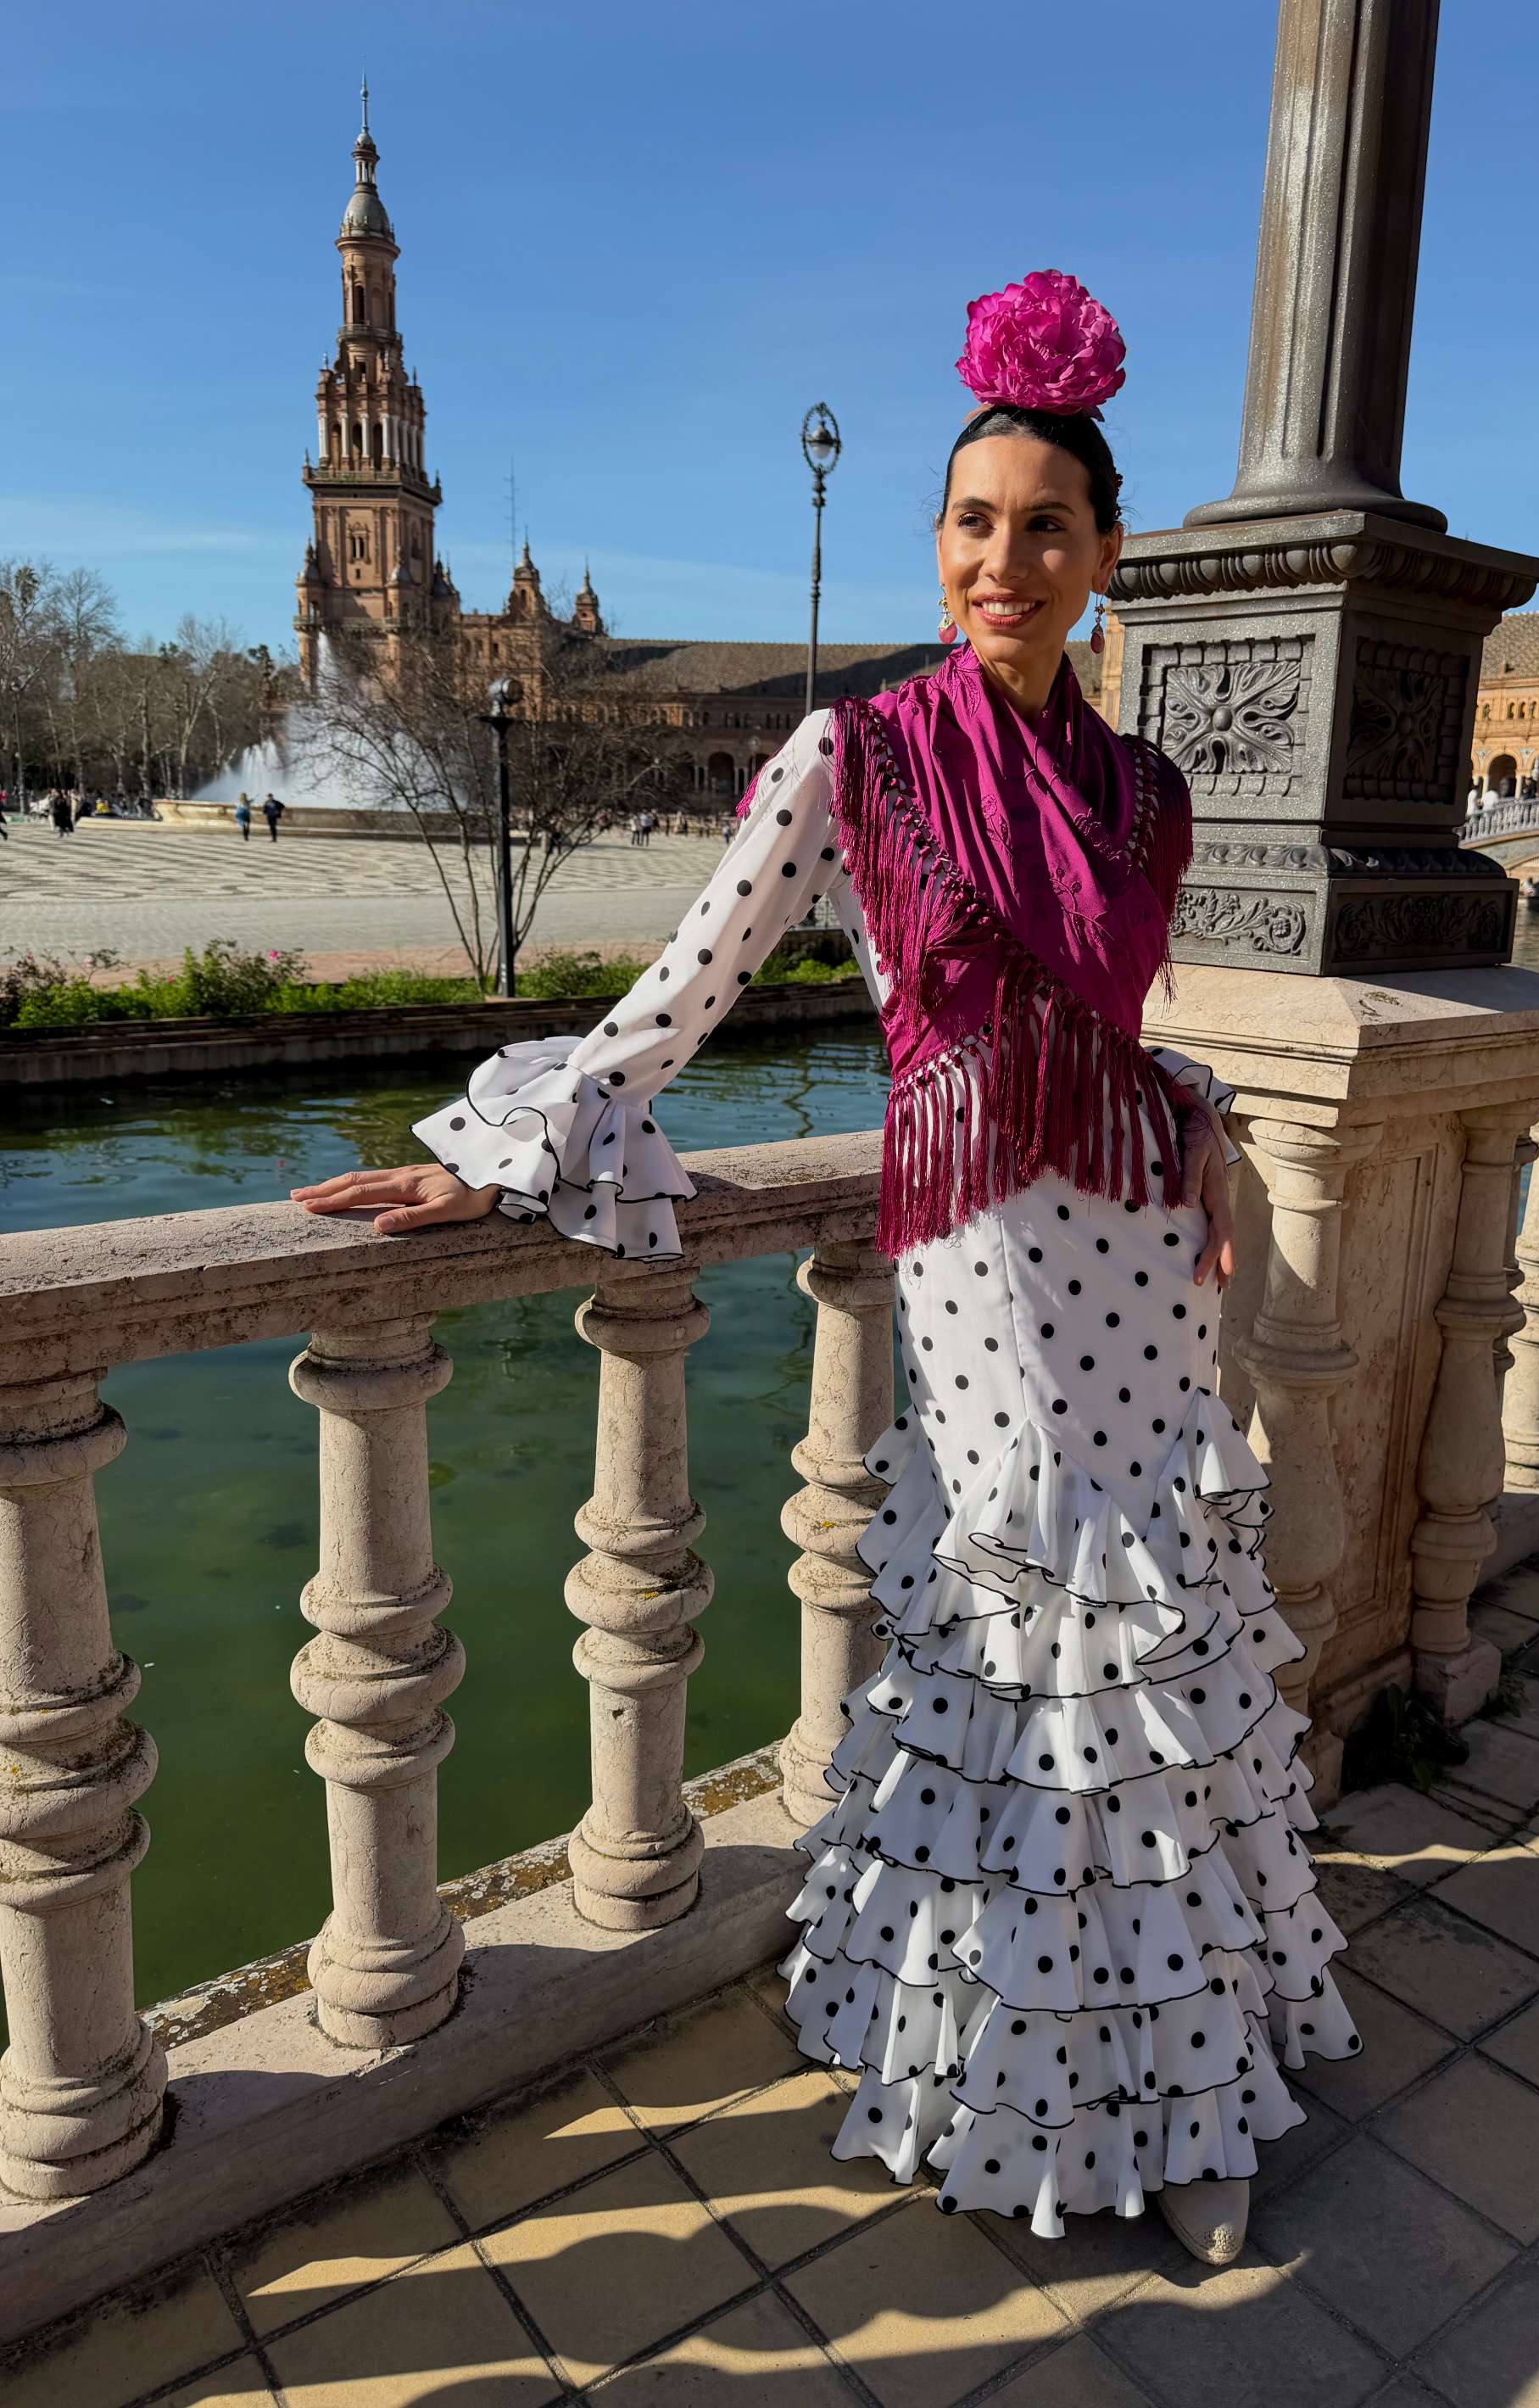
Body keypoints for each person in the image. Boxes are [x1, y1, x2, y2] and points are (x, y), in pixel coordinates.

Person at [290, 271, 1357, 2265]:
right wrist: (502, 1153)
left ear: (1106, 557)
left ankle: (1190, 2075)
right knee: (1035, 1647)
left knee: (1166, 1631)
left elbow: (1116, 1026)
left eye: (1047, 527)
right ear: (934, 545)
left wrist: (1199, 1107)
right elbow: (680, 995)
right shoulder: (850, 758)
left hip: (1138, 1234)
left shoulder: (1149, 793)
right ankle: (1015, 2073)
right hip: (982, 1264)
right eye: (971, 523)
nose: (1003, 560)